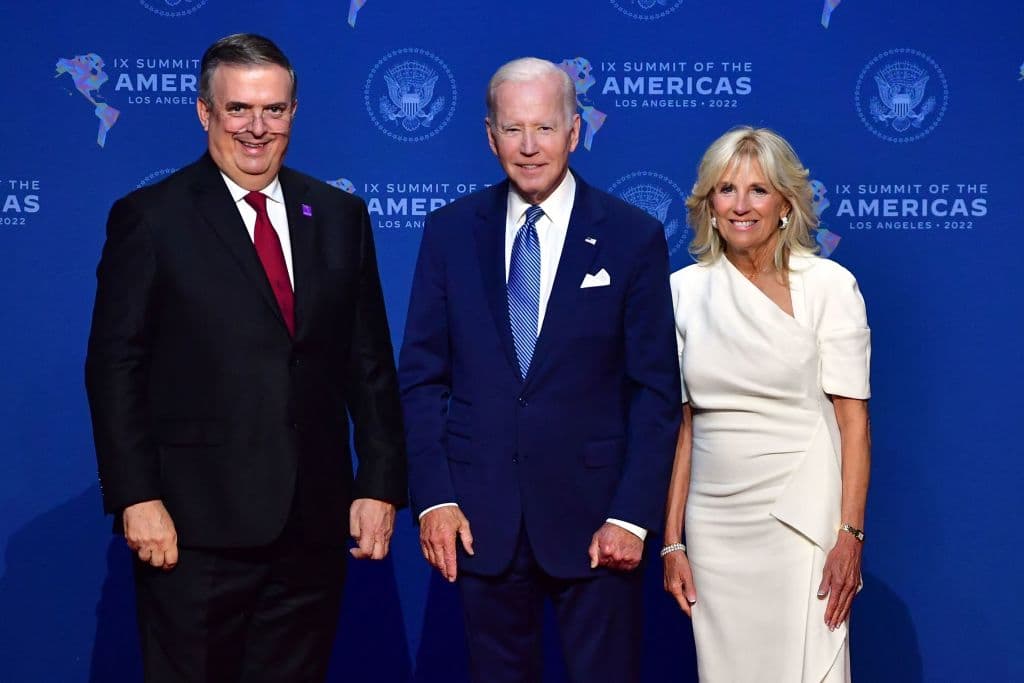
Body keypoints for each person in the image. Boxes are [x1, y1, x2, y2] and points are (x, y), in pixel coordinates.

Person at [84, 33, 407, 682]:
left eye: (274, 110)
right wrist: (137, 496)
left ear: (294, 112)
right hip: (193, 527)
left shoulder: (339, 214)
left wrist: (379, 482)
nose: (257, 129)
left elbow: (368, 362)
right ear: (205, 111)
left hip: (312, 523)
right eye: (239, 110)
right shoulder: (152, 218)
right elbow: (114, 367)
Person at [398, 57, 680, 682]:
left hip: (597, 523)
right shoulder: (449, 232)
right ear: (489, 135)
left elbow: (656, 392)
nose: (529, 148)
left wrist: (632, 515)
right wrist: (436, 498)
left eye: (545, 129)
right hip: (479, 523)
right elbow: (421, 378)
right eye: (513, 129)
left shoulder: (632, 237)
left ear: (575, 132)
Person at [662, 126, 871, 682]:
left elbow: (853, 422)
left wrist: (849, 535)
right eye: (726, 190)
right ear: (708, 204)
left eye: (758, 190)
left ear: (785, 203)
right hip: (715, 527)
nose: (741, 205)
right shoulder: (682, 292)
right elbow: (682, 428)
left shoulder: (830, 285)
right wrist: (671, 541)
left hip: (803, 519)